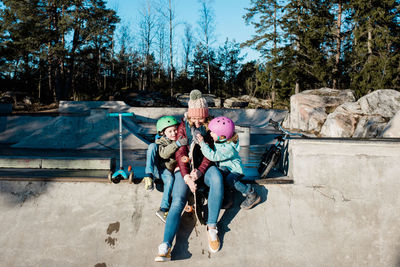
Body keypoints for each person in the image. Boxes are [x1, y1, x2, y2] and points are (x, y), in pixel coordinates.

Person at [155, 90, 224, 262]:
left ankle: (212, 226)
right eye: (194, 118)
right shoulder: (182, 127)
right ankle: (166, 245)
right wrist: (186, 177)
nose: (198, 121)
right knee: (178, 200)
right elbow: (180, 153)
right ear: (190, 116)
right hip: (184, 170)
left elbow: (210, 153)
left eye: (201, 118)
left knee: (217, 178)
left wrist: (200, 171)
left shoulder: (210, 127)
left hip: (205, 168)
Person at [196, 116, 261, 210]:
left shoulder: (228, 148)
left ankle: (251, 194)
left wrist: (202, 144)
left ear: (222, 136)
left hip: (235, 171)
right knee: (221, 177)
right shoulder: (222, 141)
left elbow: (213, 156)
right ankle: (228, 201)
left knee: (230, 180)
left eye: (213, 132)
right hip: (227, 168)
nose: (210, 133)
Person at [144, 116, 187, 223]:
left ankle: (164, 209)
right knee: (152, 146)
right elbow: (164, 154)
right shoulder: (161, 141)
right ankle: (148, 176)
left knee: (171, 179)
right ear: (163, 133)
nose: (173, 133)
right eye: (170, 131)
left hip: (168, 171)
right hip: (158, 169)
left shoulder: (179, 138)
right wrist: (177, 144)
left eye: (175, 130)